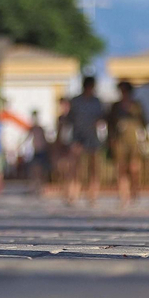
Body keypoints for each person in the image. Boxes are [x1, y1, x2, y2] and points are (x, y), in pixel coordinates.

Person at [106, 81, 148, 208]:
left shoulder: (136, 105)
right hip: (119, 141)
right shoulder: (115, 106)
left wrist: (146, 139)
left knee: (134, 168)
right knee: (121, 168)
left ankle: (135, 191)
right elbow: (110, 124)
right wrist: (110, 139)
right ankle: (124, 195)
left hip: (134, 141)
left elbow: (144, 122)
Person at [66, 76, 105, 206]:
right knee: (75, 167)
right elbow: (69, 119)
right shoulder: (76, 101)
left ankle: (93, 195)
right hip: (77, 137)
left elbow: (101, 118)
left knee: (93, 168)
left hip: (92, 138)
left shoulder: (97, 102)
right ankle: (73, 194)